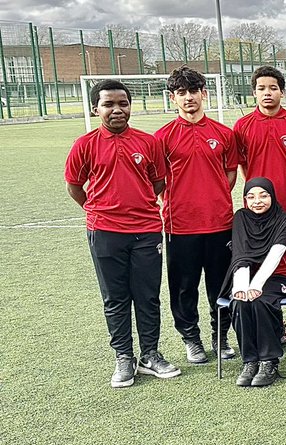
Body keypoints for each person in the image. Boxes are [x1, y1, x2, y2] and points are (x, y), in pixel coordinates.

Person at [66, 79, 180, 387]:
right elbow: (74, 187)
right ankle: (123, 358)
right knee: (115, 297)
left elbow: (159, 182)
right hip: (104, 232)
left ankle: (151, 355)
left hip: (146, 231)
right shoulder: (84, 145)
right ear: (96, 108)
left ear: (130, 106)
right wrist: (99, 210)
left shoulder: (148, 143)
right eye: (109, 104)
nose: (117, 110)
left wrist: (137, 205)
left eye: (123, 104)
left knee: (147, 295)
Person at [156, 66, 238, 364]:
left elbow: (230, 174)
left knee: (221, 284)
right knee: (184, 286)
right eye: (181, 93)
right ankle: (191, 338)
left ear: (204, 93)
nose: (188, 98)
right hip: (180, 226)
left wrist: (212, 197)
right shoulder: (162, 137)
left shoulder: (224, 134)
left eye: (193, 91)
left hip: (220, 223)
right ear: (172, 98)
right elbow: (158, 180)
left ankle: (221, 336)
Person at [233, 65, 286, 350]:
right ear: (253, 92)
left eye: (273, 88)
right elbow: (243, 166)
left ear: (282, 91)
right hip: (259, 215)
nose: (267, 93)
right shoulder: (242, 127)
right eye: (261, 88)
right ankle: (277, 326)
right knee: (263, 266)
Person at [220, 178, 286, 387]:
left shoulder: (285, 218)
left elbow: (276, 253)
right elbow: (241, 254)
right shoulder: (241, 218)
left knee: (261, 301)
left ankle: (269, 360)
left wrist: (257, 285)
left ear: (272, 196)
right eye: (251, 197)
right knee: (240, 303)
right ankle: (250, 361)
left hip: (281, 276)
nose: (257, 201)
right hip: (247, 277)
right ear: (245, 200)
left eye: (263, 195)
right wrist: (241, 287)